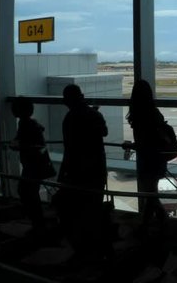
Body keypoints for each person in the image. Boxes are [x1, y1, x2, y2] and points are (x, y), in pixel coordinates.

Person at [56, 84, 111, 259]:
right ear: (82, 96)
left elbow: (69, 149)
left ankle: (83, 248)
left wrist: (63, 172)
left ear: (67, 101)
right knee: (94, 206)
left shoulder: (69, 119)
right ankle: (98, 246)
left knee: (78, 210)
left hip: (77, 170)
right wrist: (95, 114)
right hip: (96, 168)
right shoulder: (94, 115)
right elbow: (104, 132)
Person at [126, 79, 168, 235]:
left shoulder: (138, 115)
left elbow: (143, 142)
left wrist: (131, 146)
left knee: (150, 194)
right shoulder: (154, 112)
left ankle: (153, 223)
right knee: (151, 193)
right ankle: (153, 223)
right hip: (157, 158)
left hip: (147, 159)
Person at [10, 97, 47, 237]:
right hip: (35, 164)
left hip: (31, 165)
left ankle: (37, 224)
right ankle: (38, 224)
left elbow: (22, 143)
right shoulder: (31, 123)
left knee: (26, 192)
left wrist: (15, 146)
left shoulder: (24, 124)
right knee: (31, 193)